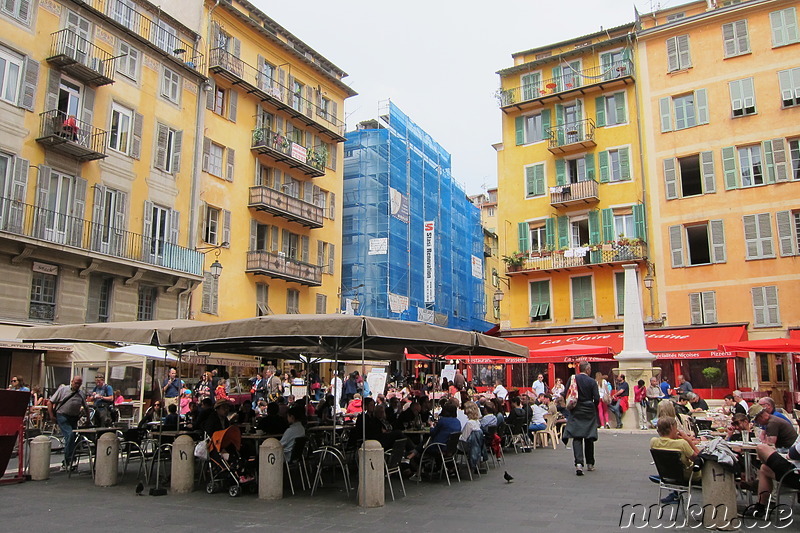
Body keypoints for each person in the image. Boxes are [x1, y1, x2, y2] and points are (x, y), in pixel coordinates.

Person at [650, 416, 702, 504]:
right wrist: (688, 440)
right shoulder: (682, 444)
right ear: (672, 428)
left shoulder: (653, 442)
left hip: (667, 474)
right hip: (688, 476)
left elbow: (667, 443)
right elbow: (699, 458)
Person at [744, 439, 800, 518]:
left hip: (795, 474)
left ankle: (758, 483)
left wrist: (790, 453)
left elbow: (793, 453)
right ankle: (760, 507)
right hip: (794, 472)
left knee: (761, 448)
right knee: (764, 469)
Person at [563, 363, 600, 476]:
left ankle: (578, 464)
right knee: (589, 436)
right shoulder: (592, 381)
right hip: (589, 410)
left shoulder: (573, 378)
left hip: (576, 409)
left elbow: (566, 393)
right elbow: (597, 398)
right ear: (587, 369)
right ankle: (590, 463)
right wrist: (593, 406)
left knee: (577, 436)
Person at [48, 376, 89, 471]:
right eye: (76, 383)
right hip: (62, 415)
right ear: (72, 382)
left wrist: (87, 419)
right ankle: (68, 461)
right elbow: (50, 402)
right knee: (70, 435)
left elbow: (86, 407)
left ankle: (69, 460)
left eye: (79, 383)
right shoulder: (63, 390)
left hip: (73, 418)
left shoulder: (81, 394)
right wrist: (51, 416)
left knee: (72, 438)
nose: (77, 385)